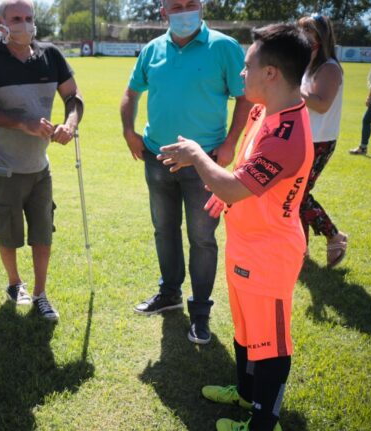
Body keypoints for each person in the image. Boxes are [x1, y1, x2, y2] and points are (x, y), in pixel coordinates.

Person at [159, 23, 313, 431]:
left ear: (271, 74)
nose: (241, 74)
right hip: (245, 243)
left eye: (247, 66)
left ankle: (263, 421)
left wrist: (197, 155)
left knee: (272, 342)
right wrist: (226, 192)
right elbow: (244, 174)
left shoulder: (288, 133)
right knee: (247, 330)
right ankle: (246, 395)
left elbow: (233, 180)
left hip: (270, 254)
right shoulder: (265, 111)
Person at [119, 0, 251, 344]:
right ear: (164, 10)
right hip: (157, 158)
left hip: (204, 164)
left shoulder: (224, 47)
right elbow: (131, 92)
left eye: (190, 3)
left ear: (202, 6)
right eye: (176, 5)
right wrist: (128, 131)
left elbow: (246, 98)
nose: (184, 10)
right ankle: (169, 293)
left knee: (202, 238)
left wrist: (231, 142)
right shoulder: (152, 49)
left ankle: (201, 312)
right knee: (164, 229)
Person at [0, 0, 84, 322]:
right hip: (4, 164)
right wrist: (24, 122)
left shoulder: (51, 55)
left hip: (39, 166)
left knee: (43, 232)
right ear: (1, 23)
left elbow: (74, 98)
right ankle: (15, 282)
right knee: (7, 232)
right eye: (16, 18)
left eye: (29, 18)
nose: (24, 24)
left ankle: (41, 293)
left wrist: (70, 124)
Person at [297, 14, 348, 268]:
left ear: (321, 37)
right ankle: (300, 249)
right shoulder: (308, 65)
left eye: (308, 32)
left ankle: (334, 236)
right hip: (304, 137)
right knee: (296, 194)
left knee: (298, 194)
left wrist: (294, 88)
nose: (303, 37)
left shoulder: (329, 67)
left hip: (320, 140)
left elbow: (321, 103)